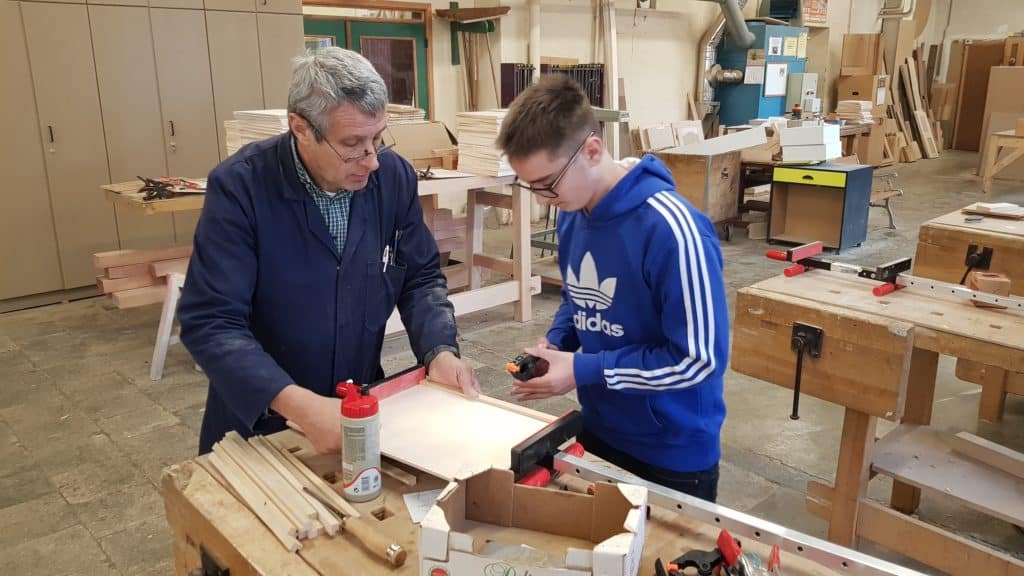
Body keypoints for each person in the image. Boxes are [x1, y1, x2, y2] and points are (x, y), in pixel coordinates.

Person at [178, 47, 479, 455]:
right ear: (301, 128)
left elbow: (420, 277)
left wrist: (438, 351)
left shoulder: (393, 178)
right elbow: (211, 321)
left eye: (378, 138)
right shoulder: (241, 188)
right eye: (352, 144)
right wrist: (299, 406)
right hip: (261, 423)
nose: (371, 161)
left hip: (359, 404)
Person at [496, 75, 728, 501]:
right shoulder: (574, 213)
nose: (543, 200)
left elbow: (698, 360)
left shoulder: (673, 230)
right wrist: (556, 343)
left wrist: (584, 370)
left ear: (591, 150)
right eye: (531, 187)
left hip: (670, 453)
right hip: (599, 430)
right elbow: (578, 297)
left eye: (548, 184)